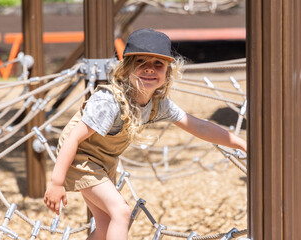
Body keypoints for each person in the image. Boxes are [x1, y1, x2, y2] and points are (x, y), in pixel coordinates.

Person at [44, 28, 247, 240]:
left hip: (103, 160)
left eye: (158, 63)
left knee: (105, 224)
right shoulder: (110, 101)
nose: (149, 69)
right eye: (141, 62)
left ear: (168, 72)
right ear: (127, 69)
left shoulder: (158, 104)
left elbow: (200, 126)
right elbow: (73, 138)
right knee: (121, 212)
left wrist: (241, 144)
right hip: (80, 157)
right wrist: (56, 183)